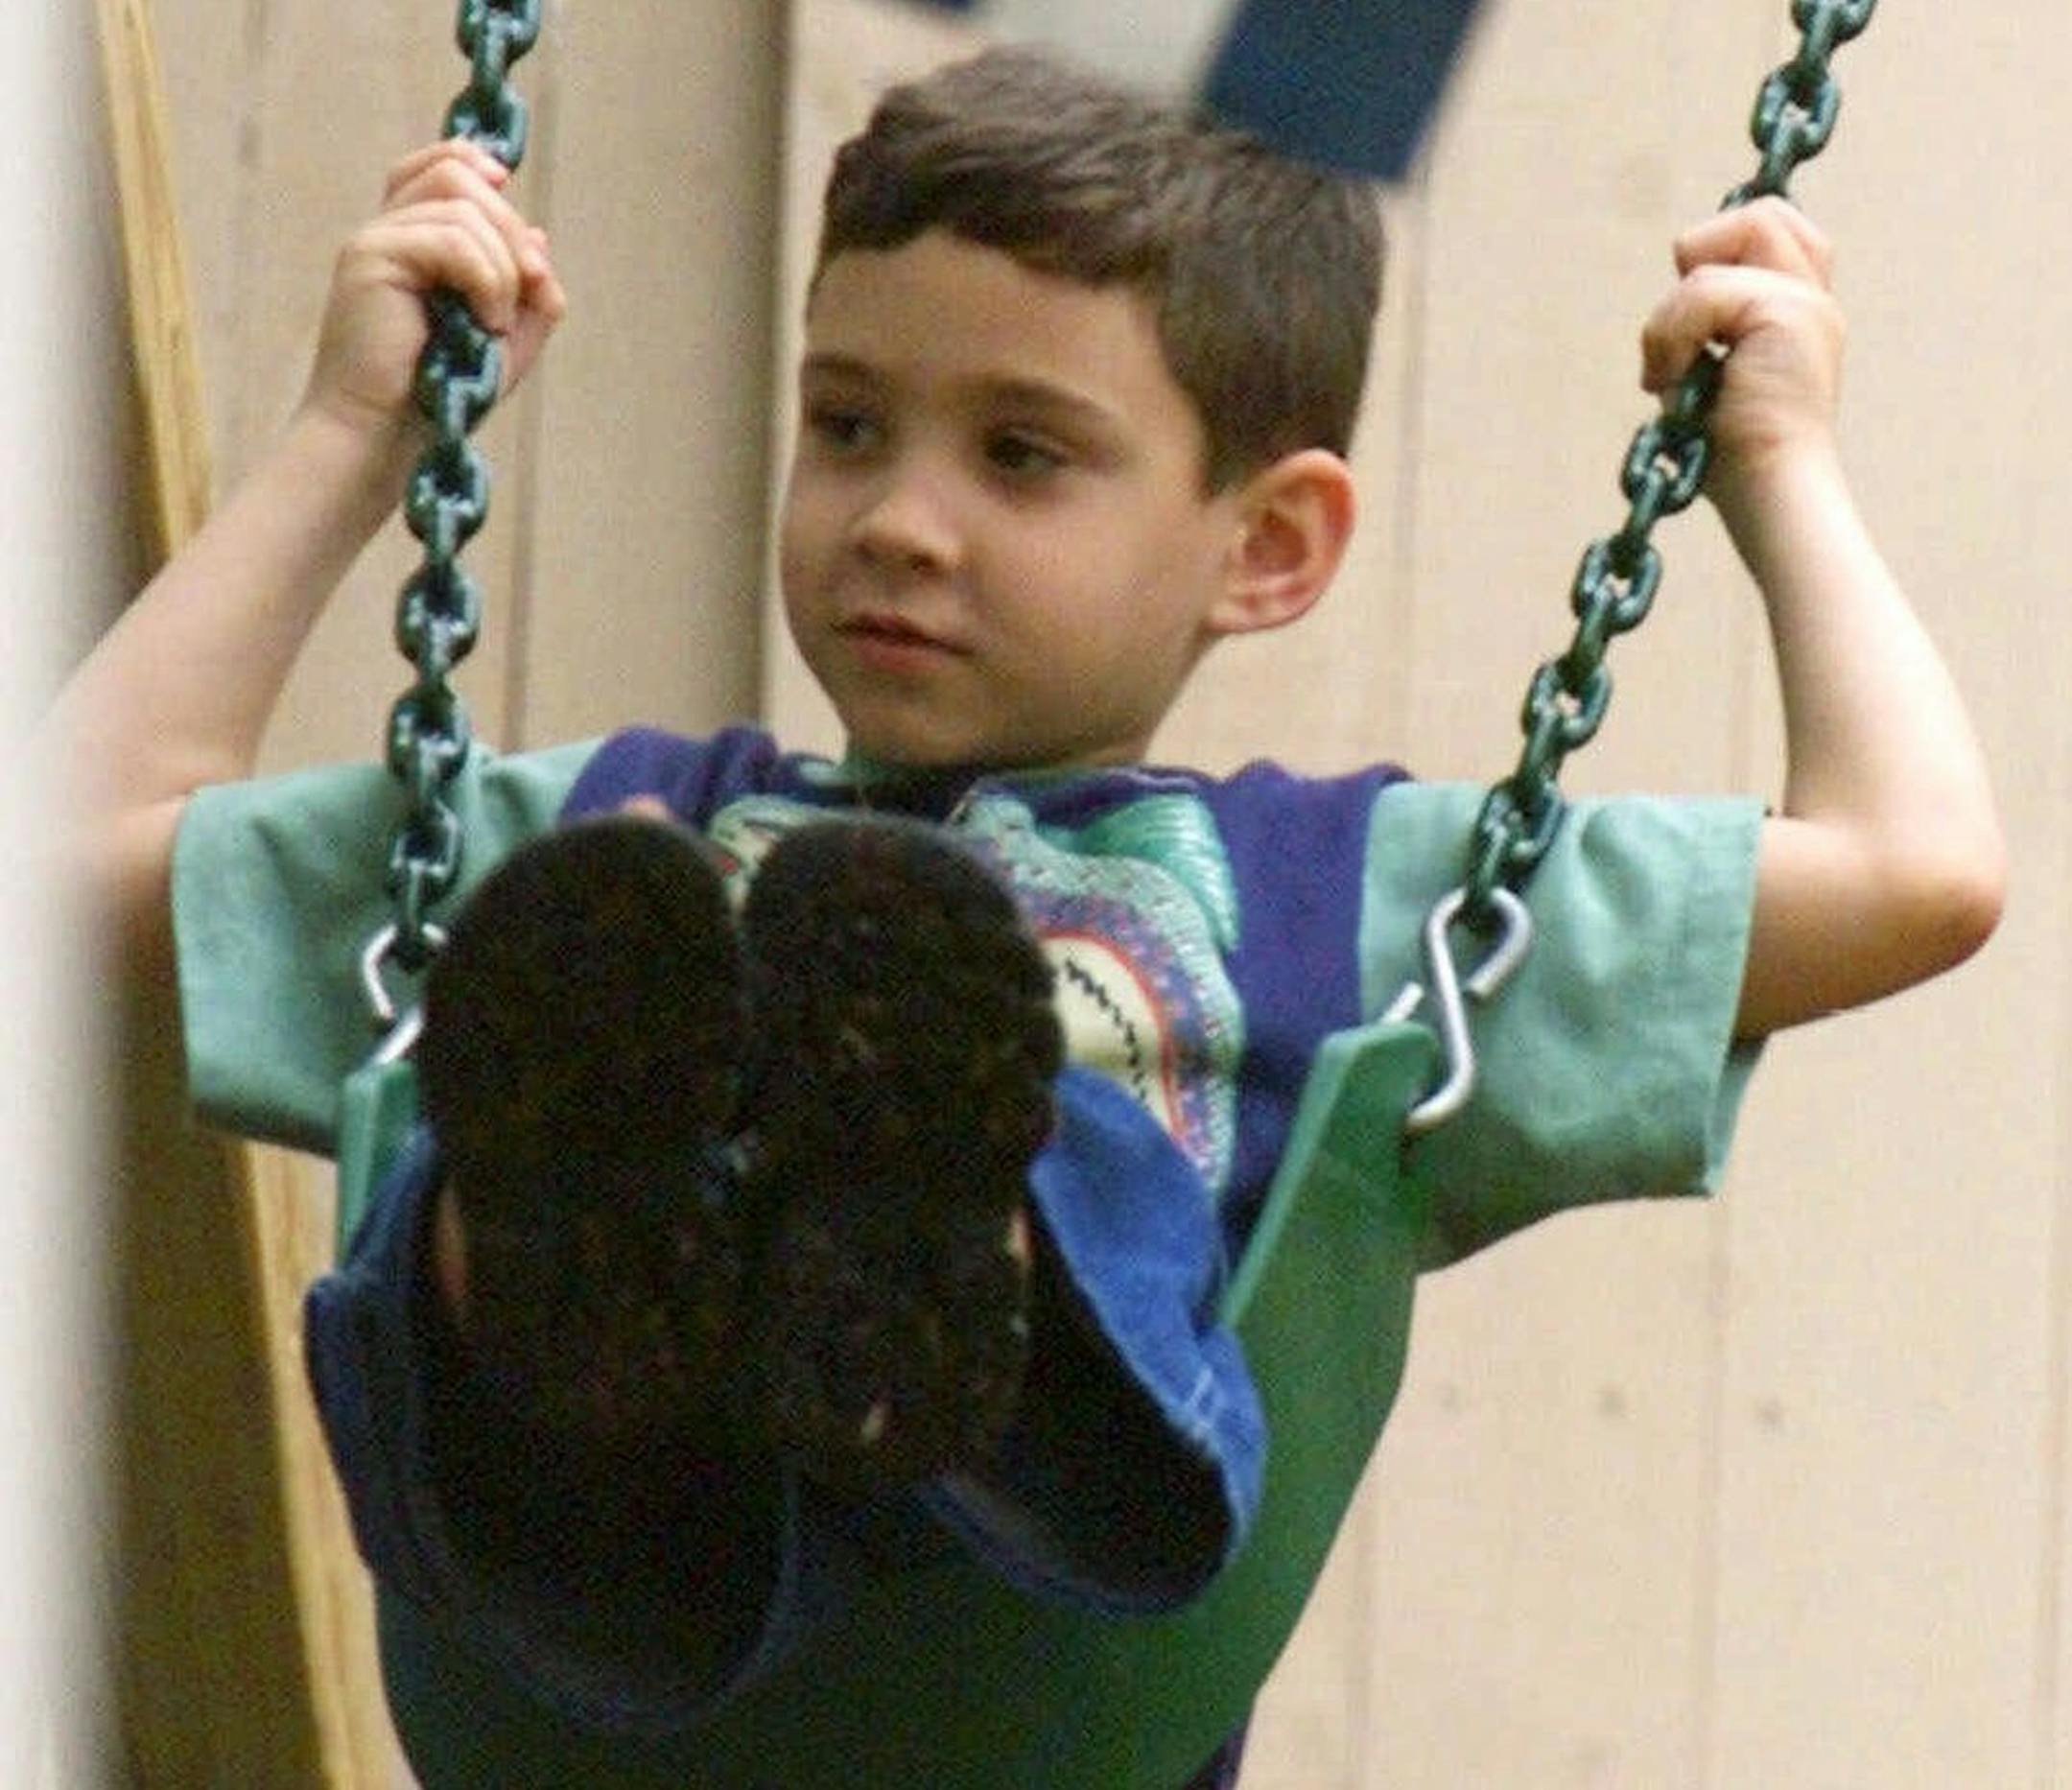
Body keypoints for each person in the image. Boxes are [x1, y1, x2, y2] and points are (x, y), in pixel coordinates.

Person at [54, 42, 2003, 1790]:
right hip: (591, 1573)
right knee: (577, 1004)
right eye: (846, 425)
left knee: (982, 1053)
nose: (902, 515)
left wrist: (1779, 466)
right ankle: (588, 1243)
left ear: (1267, 546)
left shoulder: (1346, 905)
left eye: (1021, 454)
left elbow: (1914, 871)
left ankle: (945, 1220)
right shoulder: (615, 842)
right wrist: (349, 437)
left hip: (1038, 1600)